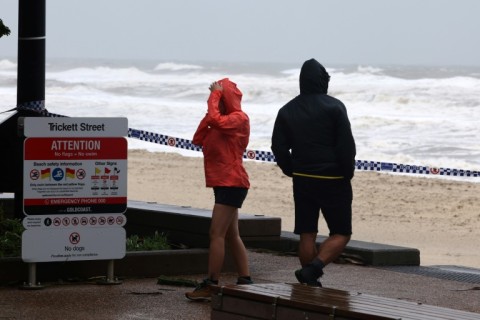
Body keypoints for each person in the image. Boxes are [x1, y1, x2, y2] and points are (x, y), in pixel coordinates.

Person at [271, 58, 356, 287]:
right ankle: (313, 270)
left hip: (303, 179)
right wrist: (347, 172)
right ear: (323, 81)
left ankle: (309, 280)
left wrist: (291, 169)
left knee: (307, 233)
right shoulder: (335, 107)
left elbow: (278, 147)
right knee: (341, 232)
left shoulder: (287, 110)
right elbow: (346, 146)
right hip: (333, 178)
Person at [185, 78, 253, 301]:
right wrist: (211, 108)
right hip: (224, 183)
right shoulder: (218, 121)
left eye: (218, 96)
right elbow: (197, 138)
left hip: (232, 183)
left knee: (216, 234)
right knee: (232, 235)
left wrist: (215, 98)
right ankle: (245, 279)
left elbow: (217, 120)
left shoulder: (239, 119)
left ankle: (211, 284)